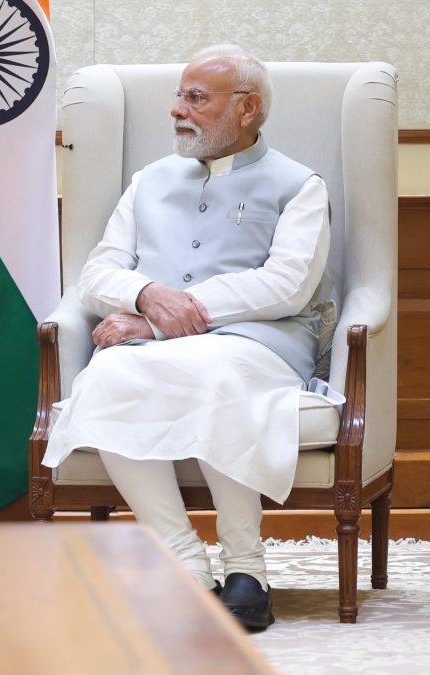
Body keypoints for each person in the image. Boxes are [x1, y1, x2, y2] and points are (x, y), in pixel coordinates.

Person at [42, 44, 335, 632]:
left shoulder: (299, 185)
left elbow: (287, 286)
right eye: (178, 95)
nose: (178, 109)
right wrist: (147, 294)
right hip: (154, 345)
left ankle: (248, 568)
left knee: (215, 372)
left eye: (196, 98)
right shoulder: (148, 181)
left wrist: (164, 317)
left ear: (247, 108)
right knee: (106, 376)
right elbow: (99, 272)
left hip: (260, 344)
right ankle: (183, 561)